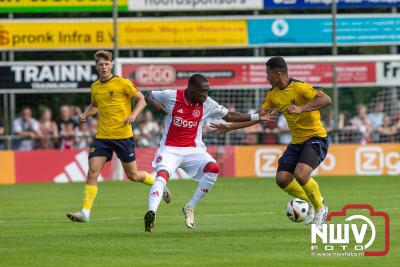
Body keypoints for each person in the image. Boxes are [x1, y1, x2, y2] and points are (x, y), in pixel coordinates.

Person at [143, 73, 277, 232]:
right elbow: (148, 95)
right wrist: (154, 104)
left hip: (193, 149)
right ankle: (151, 212)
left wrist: (257, 116)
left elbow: (230, 116)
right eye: (203, 91)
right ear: (191, 89)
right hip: (170, 149)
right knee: (162, 176)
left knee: (214, 169)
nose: (206, 94)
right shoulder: (171, 95)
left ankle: (190, 207)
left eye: (207, 91)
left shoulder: (208, 103)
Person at [211, 56, 331, 229]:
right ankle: (312, 201)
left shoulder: (300, 87)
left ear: (278, 73)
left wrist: (301, 108)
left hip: (316, 138)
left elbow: (326, 100)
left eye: (268, 74)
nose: (267, 78)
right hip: (297, 142)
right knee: (282, 179)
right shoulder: (273, 94)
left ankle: (321, 210)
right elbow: (259, 116)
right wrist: (230, 127)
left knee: (301, 174)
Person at [67, 50, 171, 223]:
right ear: (96, 67)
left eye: (106, 64)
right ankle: (85, 212)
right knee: (92, 172)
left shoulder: (122, 83)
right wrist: (85, 114)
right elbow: (95, 105)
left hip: (123, 136)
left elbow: (142, 99)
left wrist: (134, 115)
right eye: (100, 64)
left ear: (111, 65)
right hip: (102, 137)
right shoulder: (95, 87)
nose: (104, 67)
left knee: (133, 175)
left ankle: (158, 184)